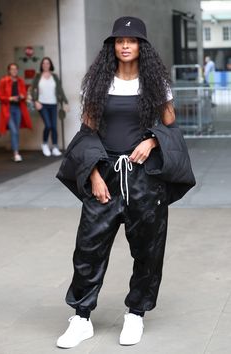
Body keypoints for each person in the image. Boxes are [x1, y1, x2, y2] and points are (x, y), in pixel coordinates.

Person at [56, 16, 195, 348]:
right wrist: (92, 175)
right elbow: (87, 133)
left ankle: (135, 315)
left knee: (148, 250)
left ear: (141, 46)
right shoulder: (97, 85)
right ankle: (81, 318)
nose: (125, 45)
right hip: (104, 175)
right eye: (119, 40)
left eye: (131, 40)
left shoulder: (156, 85)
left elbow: (171, 126)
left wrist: (153, 141)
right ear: (113, 46)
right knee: (88, 249)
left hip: (144, 180)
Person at [31, 57, 68, 157]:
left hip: (53, 104)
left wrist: (65, 102)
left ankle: (55, 147)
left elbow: (60, 90)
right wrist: (35, 101)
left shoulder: (54, 76)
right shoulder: (38, 76)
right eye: (43, 63)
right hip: (42, 104)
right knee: (48, 125)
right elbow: (32, 89)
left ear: (50, 65)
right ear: (41, 65)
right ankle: (44, 144)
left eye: (47, 63)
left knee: (54, 127)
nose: (45, 65)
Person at [0, 63, 32, 162]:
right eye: (12, 69)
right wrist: (10, 98)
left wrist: (22, 96)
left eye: (16, 69)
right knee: (14, 131)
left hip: (18, 108)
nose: (14, 71)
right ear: (9, 70)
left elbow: (24, 94)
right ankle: (16, 153)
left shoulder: (20, 81)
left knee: (16, 130)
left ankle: (15, 151)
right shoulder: (4, 81)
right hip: (8, 109)